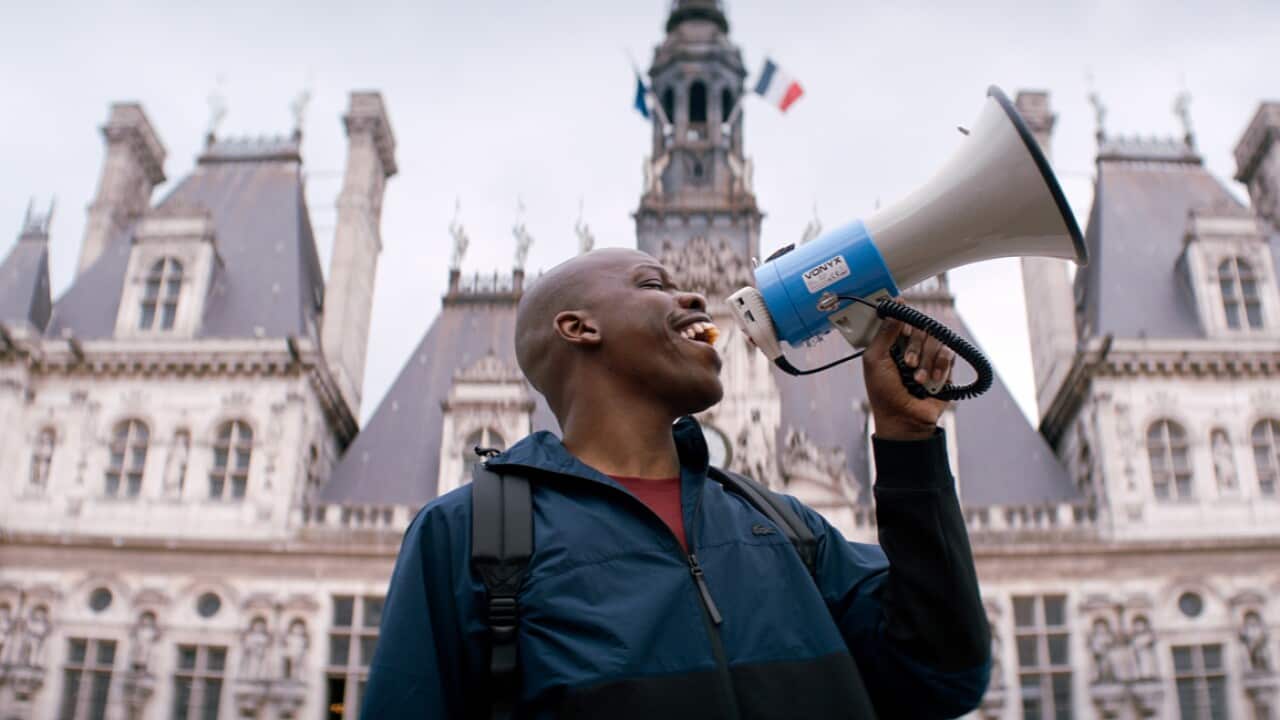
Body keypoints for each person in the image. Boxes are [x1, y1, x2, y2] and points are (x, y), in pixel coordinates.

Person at [364, 248, 991, 718]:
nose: (695, 299)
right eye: (653, 285)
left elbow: (943, 673)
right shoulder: (470, 535)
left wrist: (909, 445)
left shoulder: (783, 524)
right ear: (578, 327)